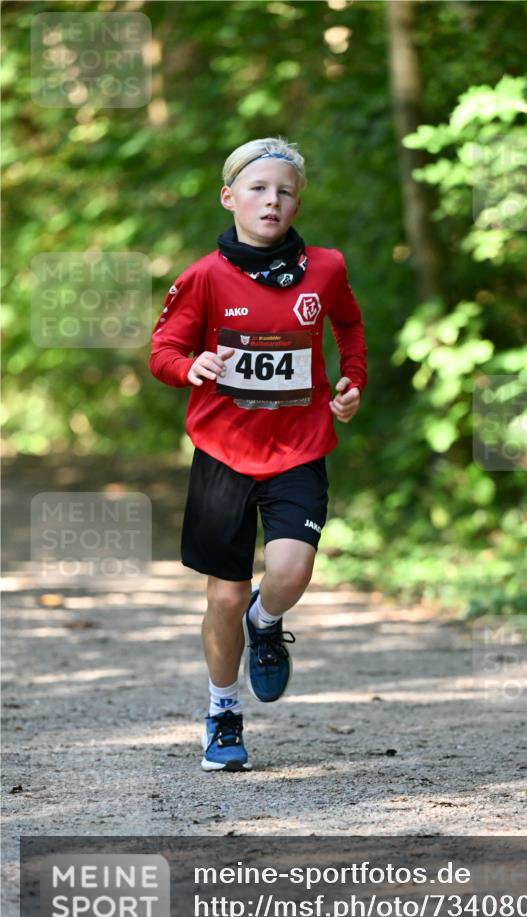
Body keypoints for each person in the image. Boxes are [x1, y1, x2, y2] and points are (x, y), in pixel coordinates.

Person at [149, 137, 367, 773]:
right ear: (230, 197)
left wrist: (351, 382)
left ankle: (266, 624)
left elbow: (348, 326)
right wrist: (190, 367)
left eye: (285, 191)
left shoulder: (325, 268)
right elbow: (161, 351)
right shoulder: (203, 276)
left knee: (292, 572)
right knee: (222, 597)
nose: (272, 200)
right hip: (223, 453)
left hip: (299, 447)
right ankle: (222, 711)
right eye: (258, 189)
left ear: (298, 202)